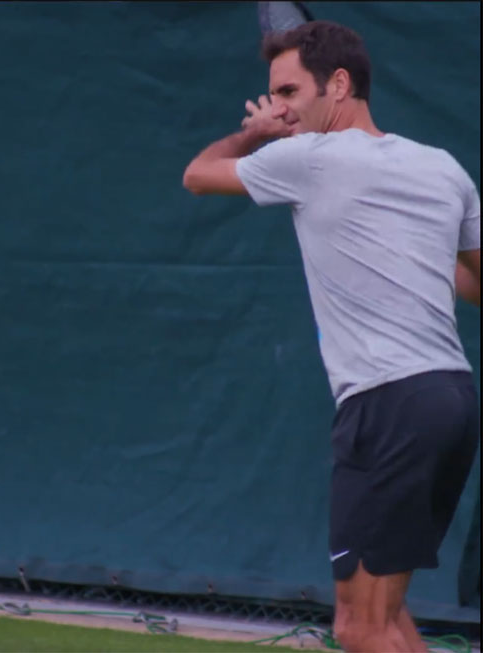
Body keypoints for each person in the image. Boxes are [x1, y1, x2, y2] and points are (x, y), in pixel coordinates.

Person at [182, 20, 480, 653]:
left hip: (389, 406)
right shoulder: (443, 169)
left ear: (338, 85)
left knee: (359, 627)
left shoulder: (306, 158)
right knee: (382, 619)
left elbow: (199, 174)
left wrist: (254, 134)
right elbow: (477, 281)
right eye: (273, 97)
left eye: (288, 92)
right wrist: (416, 258)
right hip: (449, 400)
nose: (280, 107)